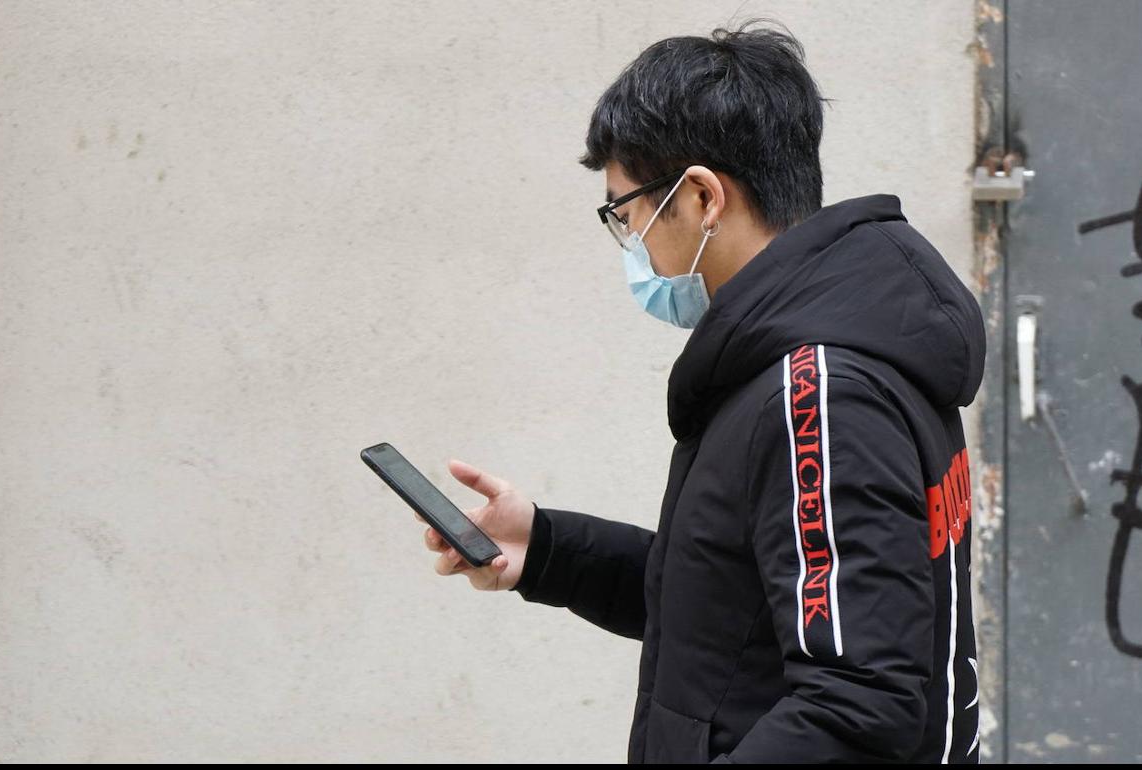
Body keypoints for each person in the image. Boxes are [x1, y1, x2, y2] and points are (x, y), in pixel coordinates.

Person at [417, 17, 985, 764]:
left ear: (702, 197)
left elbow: (858, 704)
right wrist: (548, 549)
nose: (633, 244)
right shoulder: (818, 353)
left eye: (627, 213)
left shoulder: (818, 390)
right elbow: (735, 610)